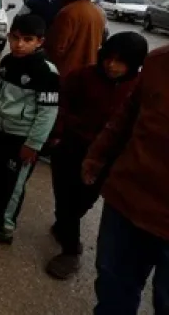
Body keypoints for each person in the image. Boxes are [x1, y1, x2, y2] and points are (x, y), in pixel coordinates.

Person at [45, 32, 148, 280]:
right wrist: (57, 136)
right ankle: (71, 250)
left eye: (121, 62)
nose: (112, 66)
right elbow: (60, 105)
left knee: (84, 201)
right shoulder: (82, 76)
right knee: (66, 198)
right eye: (109, 58)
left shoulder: (139, 88)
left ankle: (65, 225)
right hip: (71, 148)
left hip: (106, 158)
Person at [82, 45, 169, 315]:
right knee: (113, 291)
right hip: (127, 202)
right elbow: (125, 117)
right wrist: (96, 155)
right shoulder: (159, 62)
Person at [0, 14, 60, 244]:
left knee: (12, 185)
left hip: (22, 140)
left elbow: (47, 113)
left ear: (40, 41)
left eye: (27, 39)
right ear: (9, 36)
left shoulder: (46, 72)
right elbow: (0, 93)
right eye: (15, 38)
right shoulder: (7, 62)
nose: (19, 44)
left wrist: (33, 144)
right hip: (0, 131)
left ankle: (3, 228)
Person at [44, 0, 105, 76]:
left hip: (66, 72)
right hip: (87, 71)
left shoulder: (69, 12)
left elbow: (57, 48)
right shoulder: (98, 12)